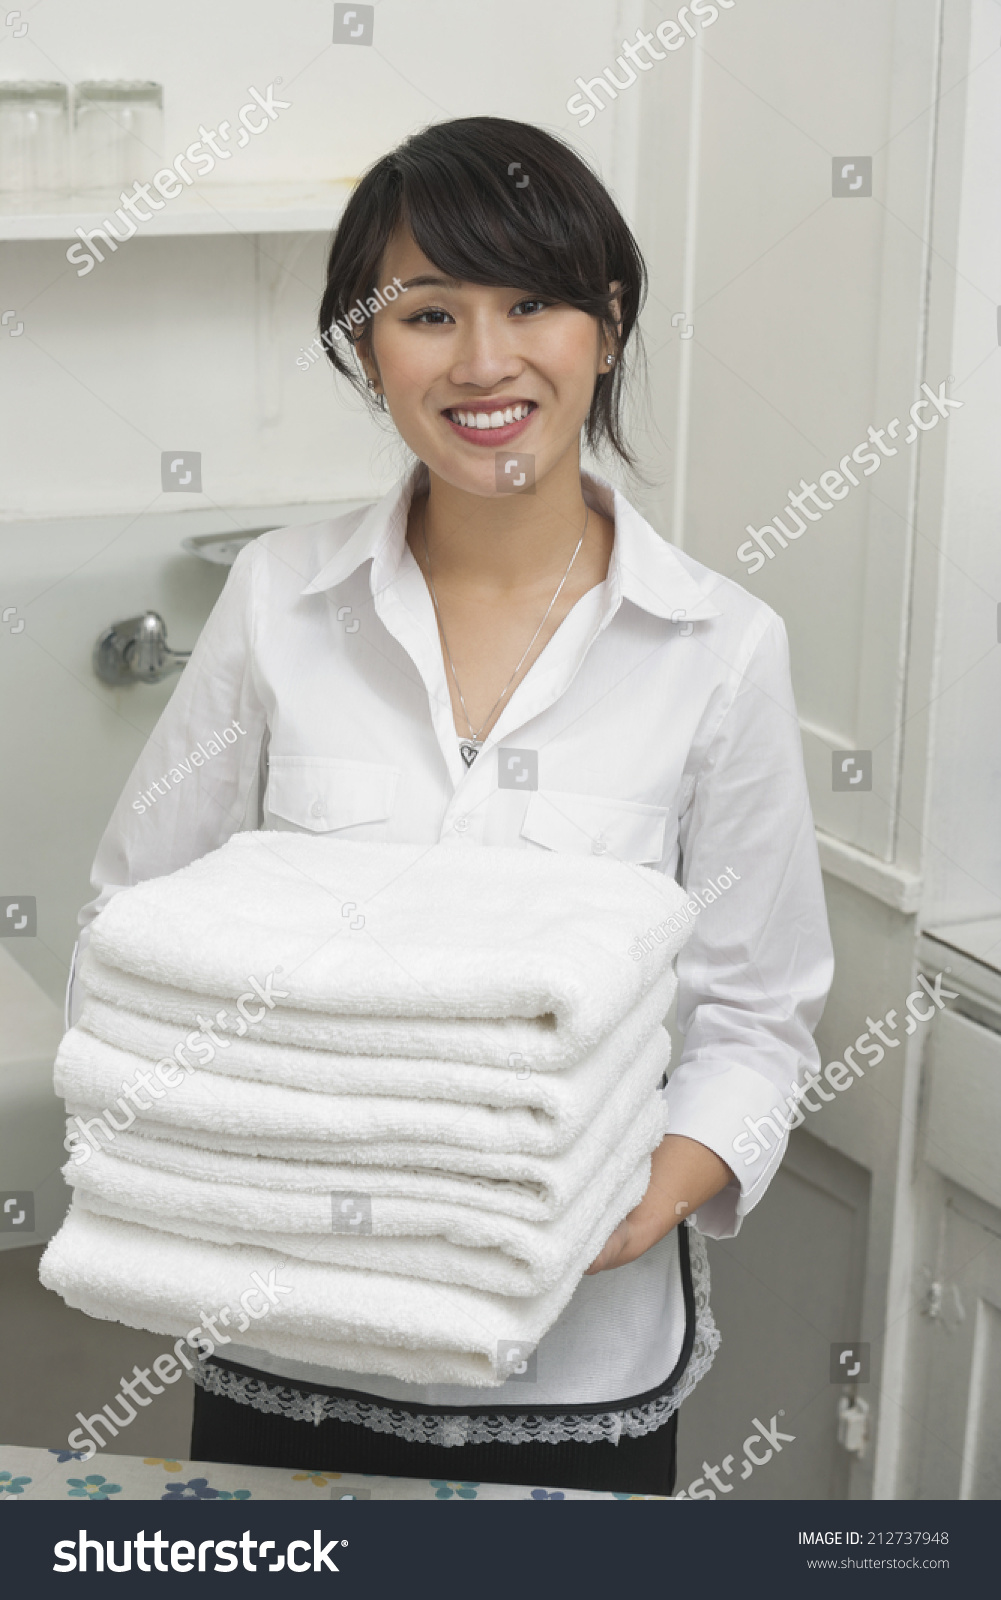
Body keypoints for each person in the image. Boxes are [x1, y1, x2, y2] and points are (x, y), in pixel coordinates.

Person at [68, 116, 834, 1498]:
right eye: (428, 313)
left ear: (603, 325)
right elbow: (136, 924)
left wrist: (618, 1205)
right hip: (284, 1328)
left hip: (576, 1357)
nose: (484, 362)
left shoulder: (718, 646)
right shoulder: (277, 604)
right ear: (369, 350)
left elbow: (758, 1014)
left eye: (529, 303)